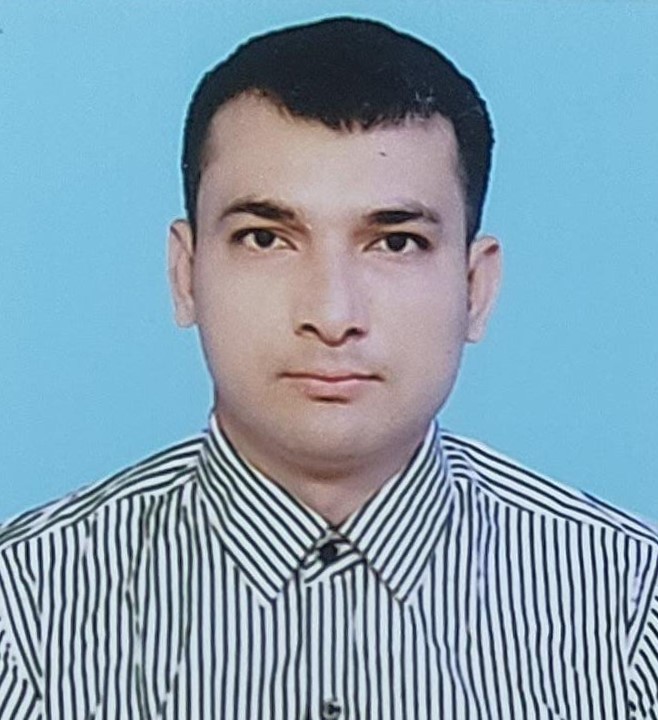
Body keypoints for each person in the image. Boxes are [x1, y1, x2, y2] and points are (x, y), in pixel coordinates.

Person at [0, 16, 656, 719]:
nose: (332, 313)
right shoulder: (24, 614)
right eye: (265, 238)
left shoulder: (630, 612)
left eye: (396, 243)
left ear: (477, 288)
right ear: (186, 274)